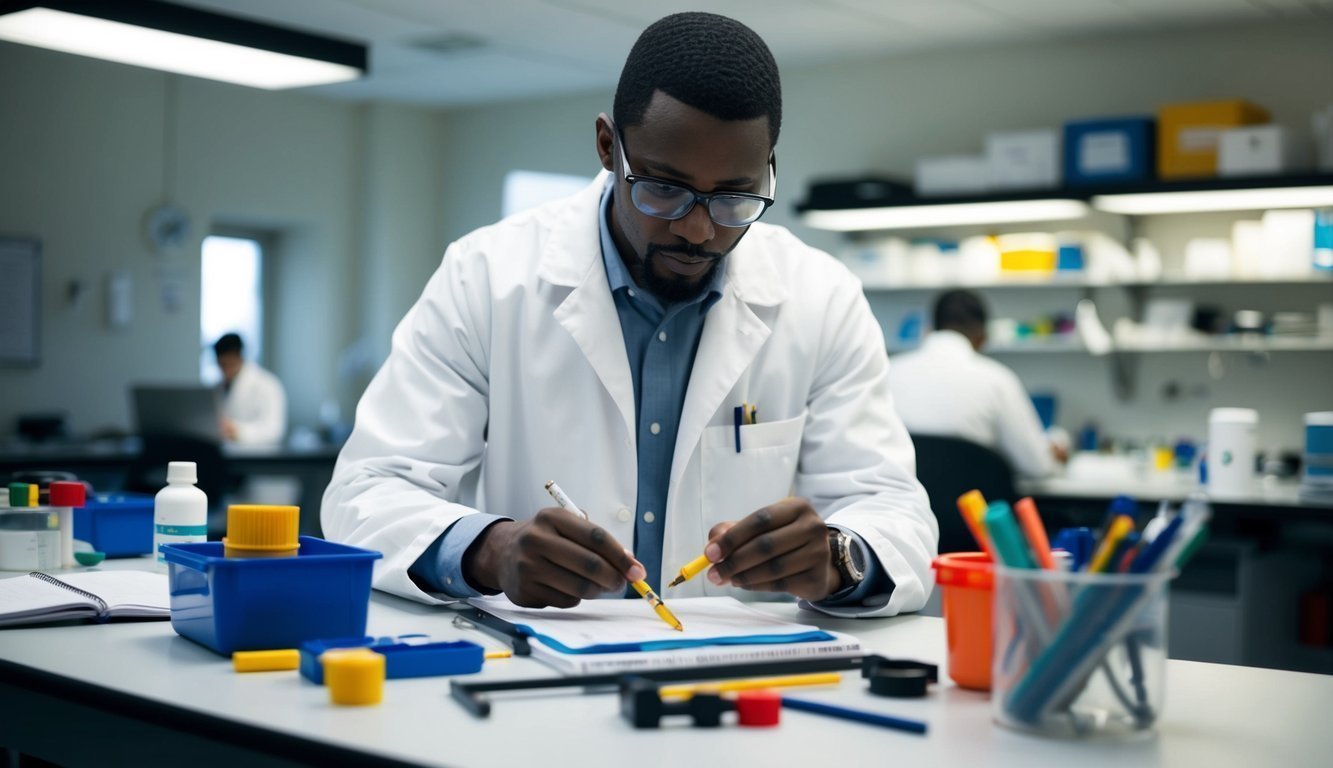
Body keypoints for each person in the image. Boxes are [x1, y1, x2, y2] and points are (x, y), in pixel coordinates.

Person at [322, 12, 936, 617]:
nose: (697, 229)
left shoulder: (821, 298)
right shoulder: (486, 276)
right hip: (537, 674)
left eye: (734, 197)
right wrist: (492, 550)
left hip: (738, 676)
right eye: (664, 188)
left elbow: (891, 507)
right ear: (607, 146)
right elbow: (367, 492)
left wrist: (838, 558)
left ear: (769, 170)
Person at [887, 290, 1064, 478]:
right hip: (975, 506)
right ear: (982, 337)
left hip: (904, 504)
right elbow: (1037, 466)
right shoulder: (998, 380)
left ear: (929, 330)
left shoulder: (888, 371)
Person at [213, 333, 287, 446]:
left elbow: (274, 431)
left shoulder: (268, 384)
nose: (224, 370)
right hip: (227, 455)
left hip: (257, 458)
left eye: (228, 364)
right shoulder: (219, 386)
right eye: (221, 365)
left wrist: (238, 431)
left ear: (240, 357)